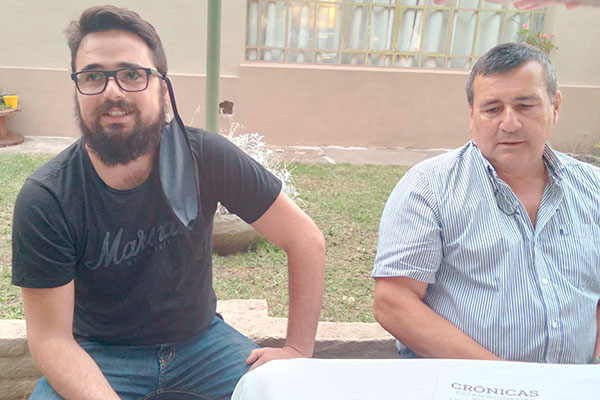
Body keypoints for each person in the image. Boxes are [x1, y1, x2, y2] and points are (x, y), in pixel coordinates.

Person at [12, 6, 325, 399]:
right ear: (77, 90)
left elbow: (305, 239)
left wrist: (296, 350)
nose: (112, 91)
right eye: (93, 76)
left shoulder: (206, 158)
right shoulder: (48, 197)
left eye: (132, 74)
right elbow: (51, 340)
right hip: (100, 355)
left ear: (162, 88)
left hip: (203, 346)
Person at [372, 42, 600, 364]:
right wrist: (501, 379)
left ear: (555, 106)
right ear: (472, 116)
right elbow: (394, 302)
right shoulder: (429, 188)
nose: (509, 123)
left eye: (525, 106)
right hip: (463, 383)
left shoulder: (593, 188)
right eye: (492, 109)